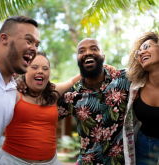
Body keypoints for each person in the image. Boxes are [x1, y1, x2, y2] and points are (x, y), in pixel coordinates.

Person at [0, 52, 81, 165]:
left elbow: (72, 81)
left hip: (51, 162)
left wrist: (104, 69)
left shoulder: (53, 91)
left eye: (45, 68)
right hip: (13, 161)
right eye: (34, 67)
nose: (40, 71)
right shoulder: (13, 92)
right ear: (25, 71)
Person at [57, 38, 131, 164]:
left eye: (94, 48)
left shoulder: (124, 79)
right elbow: (43, 114)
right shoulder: (70, 95)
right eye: (81, 51)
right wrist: (21, 82)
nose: (87, 52)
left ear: (103, 57)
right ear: (78, 60)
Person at [0, 16, 40, 149]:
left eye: (37, 45)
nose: (34, 49)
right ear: (4, 38)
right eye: (28, 41)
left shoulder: (15, 90)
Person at [123, 31, 159, 165]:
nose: (141, 53)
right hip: (142, 146)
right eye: (138, 53)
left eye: (146, 47)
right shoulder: (136, 87)